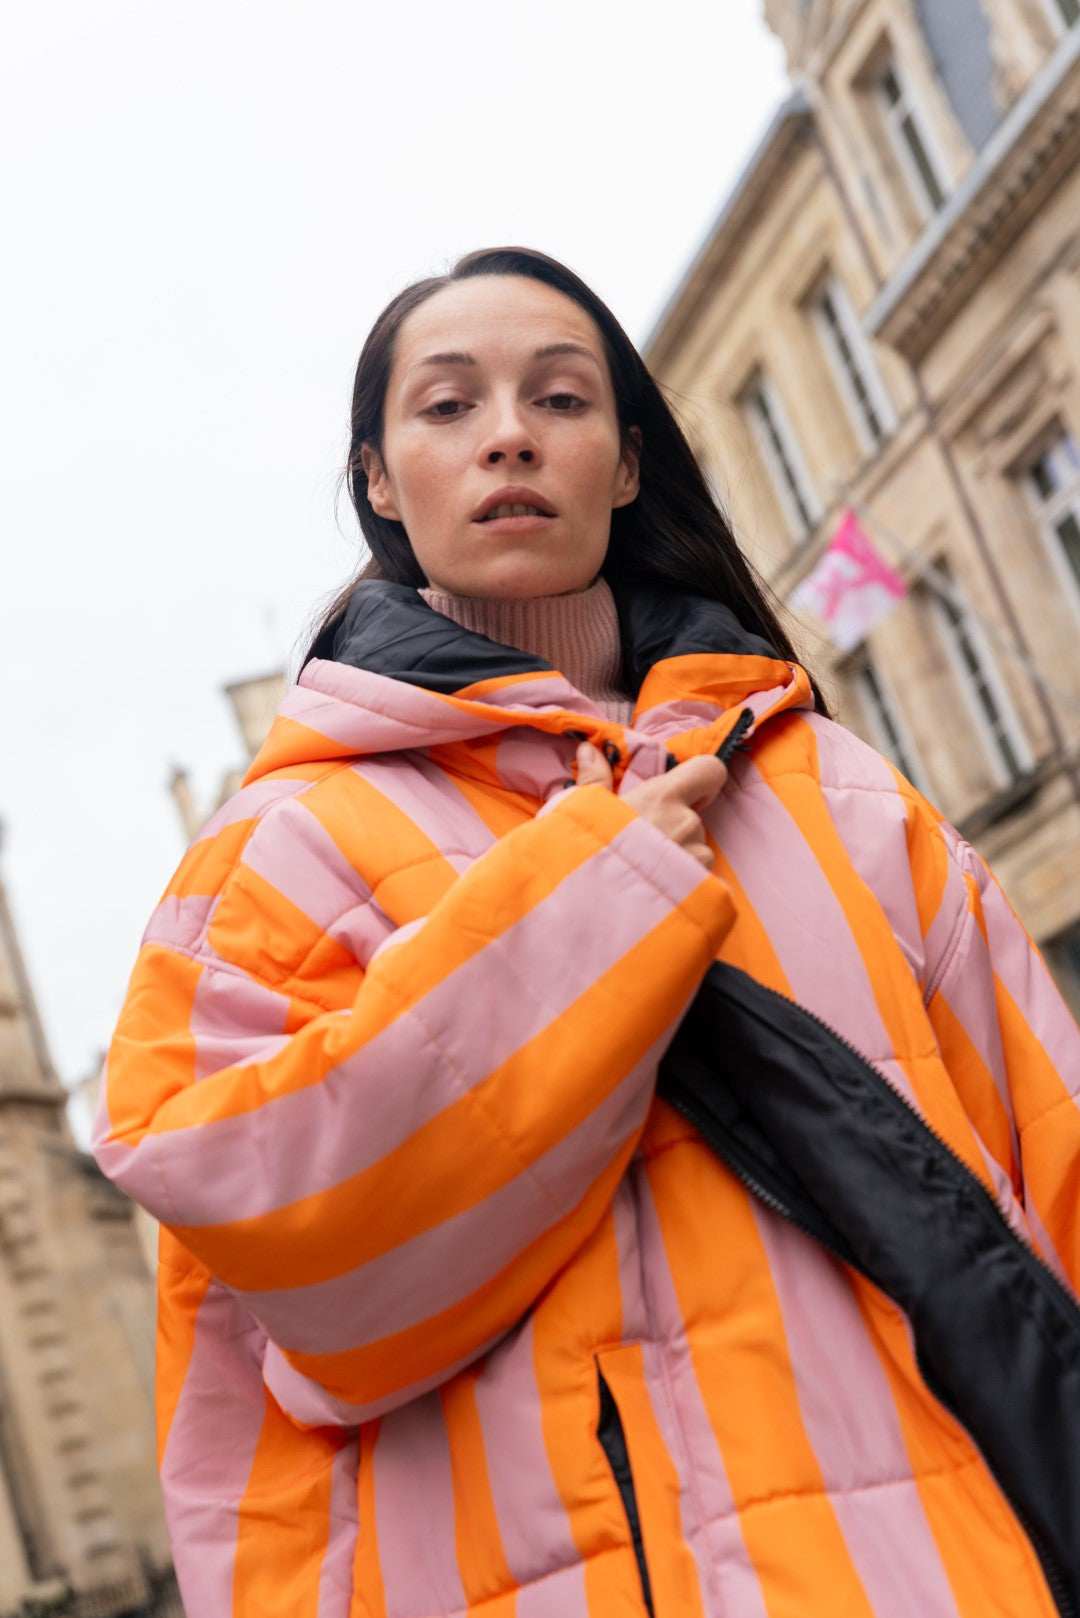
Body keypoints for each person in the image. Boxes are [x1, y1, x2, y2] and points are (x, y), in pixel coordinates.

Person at [93, 247, 1080, 1618]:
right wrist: (599, 898)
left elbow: (1057, 1164)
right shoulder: (277, 855)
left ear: (624, 463)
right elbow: (286, 1251)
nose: (509, 431)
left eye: (561, 397)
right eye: (448, 406)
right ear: (379, 480)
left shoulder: (846, 797)